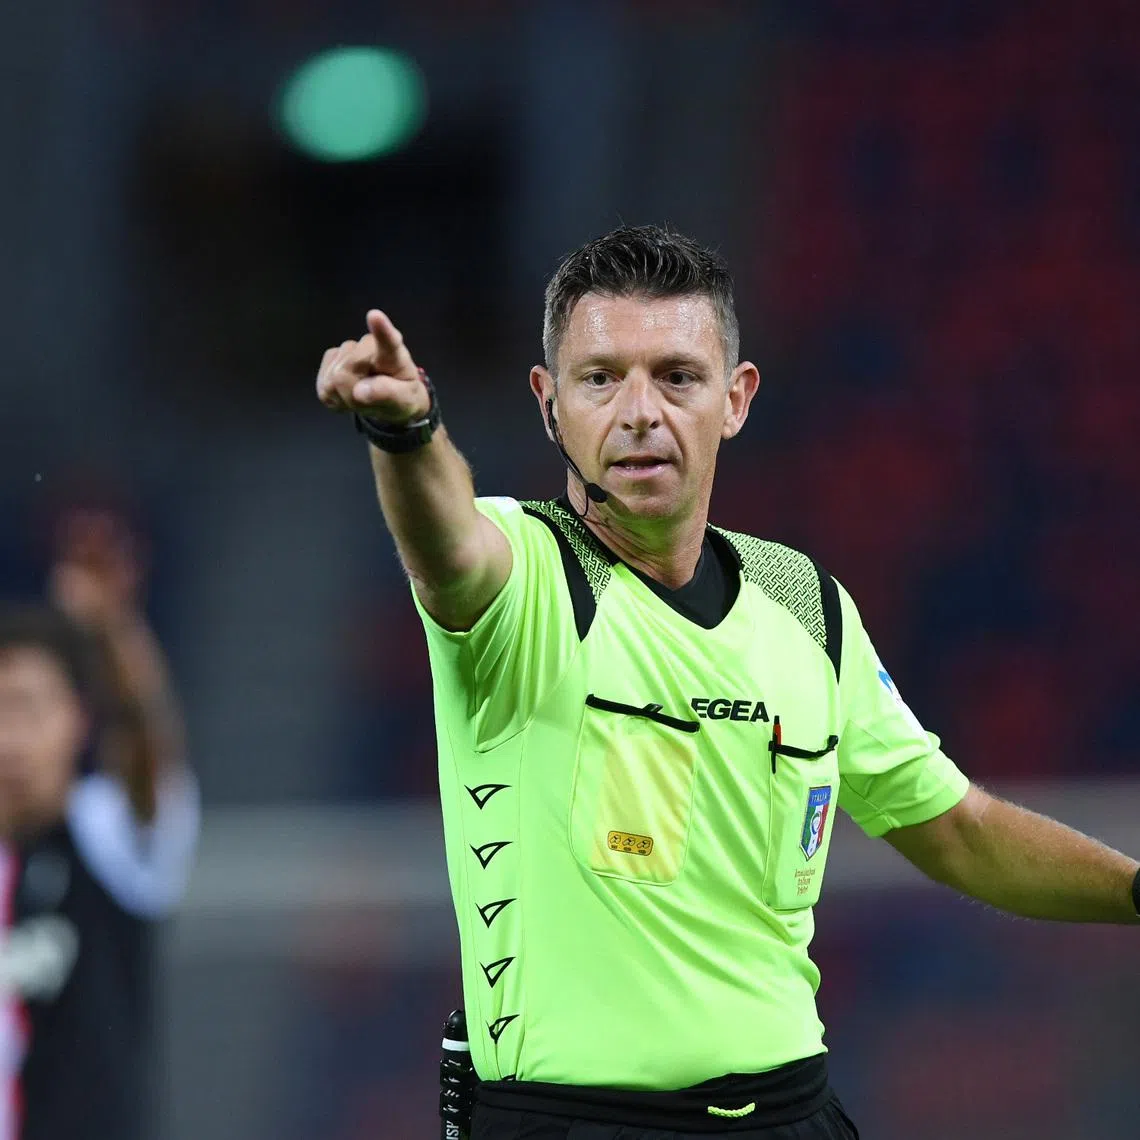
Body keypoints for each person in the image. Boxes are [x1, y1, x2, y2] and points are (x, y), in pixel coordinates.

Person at [315, 225, 1140, 1139]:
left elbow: (958, 828)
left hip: (792, 1115)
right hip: (575, 1123)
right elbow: (447, 546)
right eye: (600, 378)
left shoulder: (806, 605)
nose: (639, 411)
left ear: (735, 399)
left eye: (676, 375)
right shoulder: (533, 579)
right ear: (548, 404)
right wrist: (407, 430)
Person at [0, 510, 199, 1140]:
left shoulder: (106, 836)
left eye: (28, 707)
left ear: (79, 720)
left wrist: (111, 632)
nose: (9, 739)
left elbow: (148, 756)